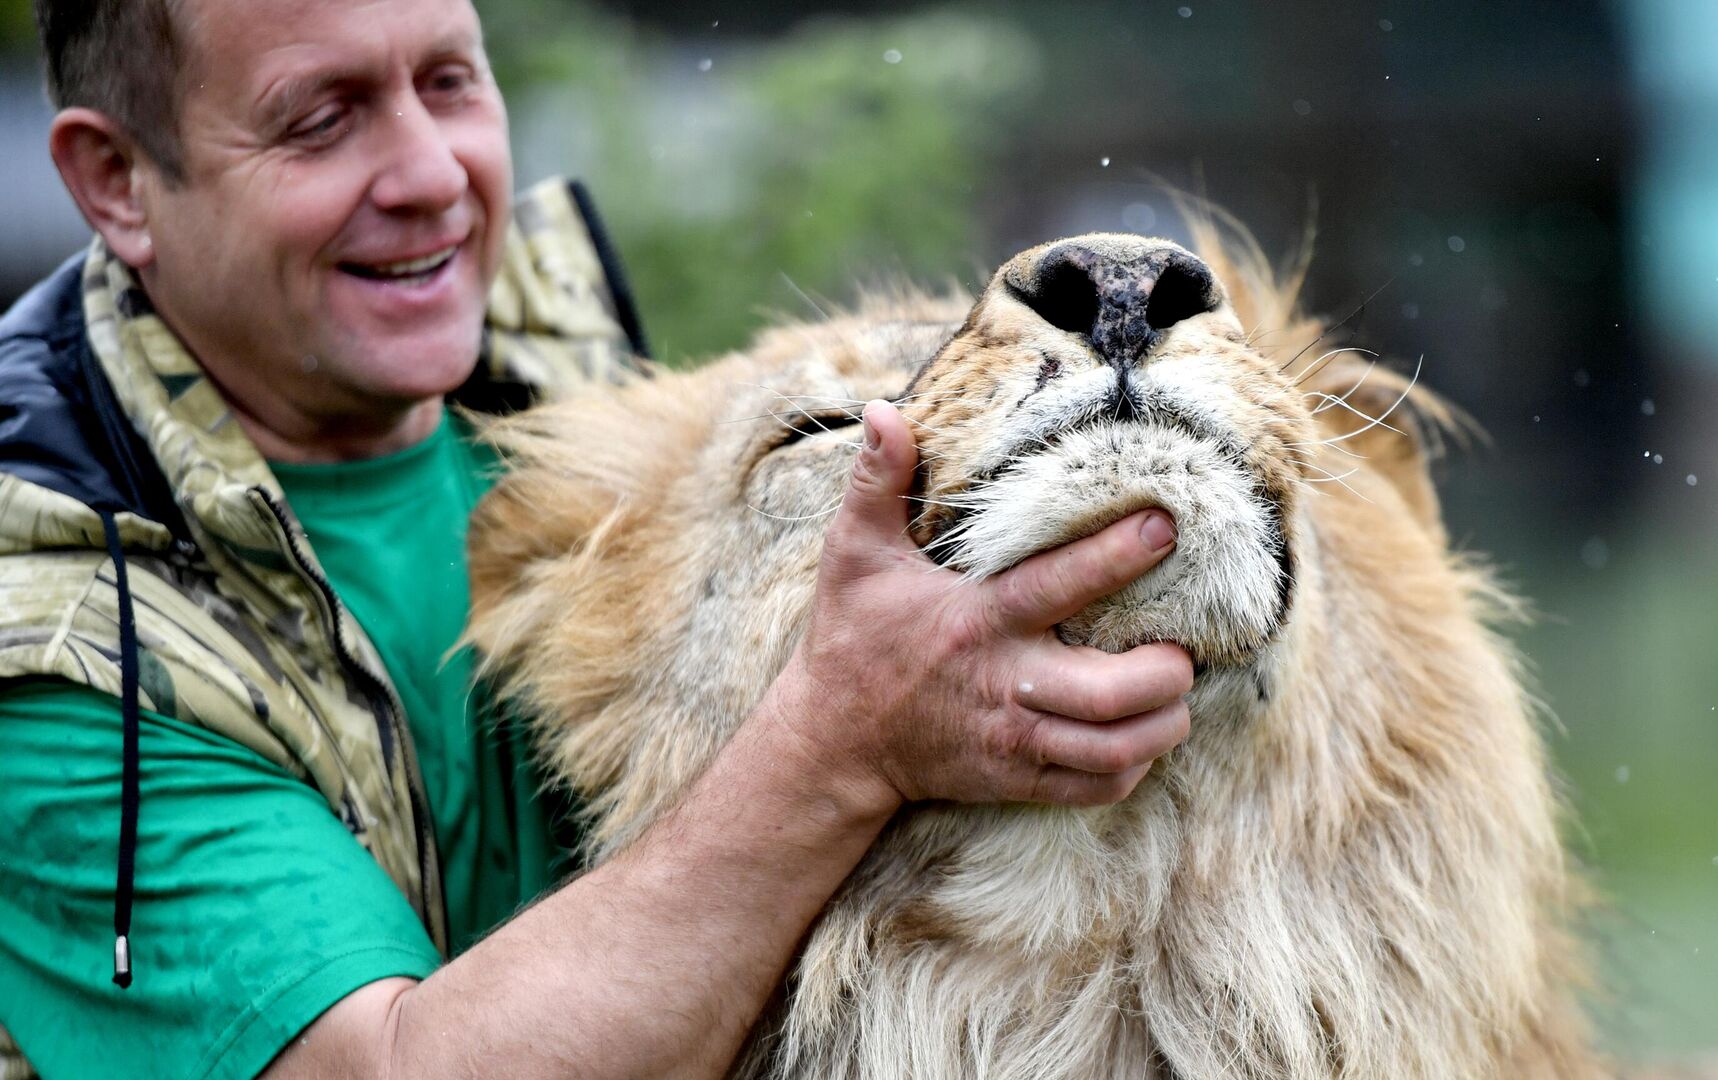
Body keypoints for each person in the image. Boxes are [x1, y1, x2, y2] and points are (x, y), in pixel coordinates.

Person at [0, 0, 1195, 1077]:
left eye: (451, 81)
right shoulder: (48, 634)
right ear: (116, 180)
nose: (434, 174)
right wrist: (844, 740)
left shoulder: (562, 363)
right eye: (320, 120)